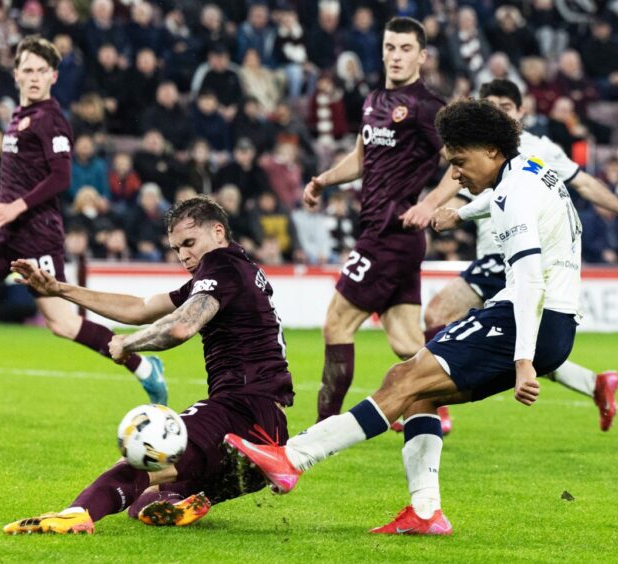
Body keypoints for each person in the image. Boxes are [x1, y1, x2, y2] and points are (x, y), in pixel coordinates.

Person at [224, 99, 581, 535]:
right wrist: (462, 212)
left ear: (490, 150)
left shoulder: (513, 195)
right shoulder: (529, 167)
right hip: (555, 325)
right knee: (420, 395)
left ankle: (293, 458)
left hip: (527, 319)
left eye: (460, 161)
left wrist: (523, 360)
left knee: (402, 381)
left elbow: (528, 280)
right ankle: (426, 511)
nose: (454, 174)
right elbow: (503, 202)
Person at [3, 197, 293, 534]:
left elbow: (180, 326)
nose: (183, 255)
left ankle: (77, 513)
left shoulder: (220, 266)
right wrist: (59, 289)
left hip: (240, 414)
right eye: (175, 248)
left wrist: (128, 343)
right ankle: (179, 499)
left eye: (189, 243)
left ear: (218, 232)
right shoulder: (237, 269)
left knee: (143, 454)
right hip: (270, 434)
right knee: (146, 501)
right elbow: (141, 307)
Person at [0, 36, 166, 425]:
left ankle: (143, 366)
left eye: (42, 70)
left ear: (54, 76)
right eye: (28, 69)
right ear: (16, 74)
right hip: (3, 233)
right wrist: (9, 212)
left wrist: (16, 207)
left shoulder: (51, 119)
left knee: (63, 324)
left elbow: (61, 177)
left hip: (37, 234)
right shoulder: (17, 115)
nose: (35, 77)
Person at [420, 79, 618, 432]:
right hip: (495, 256)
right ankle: (594, 383)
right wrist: (447, 209)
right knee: (520, 340)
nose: (498, 112)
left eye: (505, 107)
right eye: (490, 106)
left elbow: (586, 184)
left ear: (521, 112)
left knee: (438, 313)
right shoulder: (476, 150)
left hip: (515, 257)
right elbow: (456, 185)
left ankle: (432, 404)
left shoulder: (539, 150)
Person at [303, 17, 460, 423]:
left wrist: (430, 203)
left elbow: (461, 164)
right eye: (390, 47)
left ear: (422, 56)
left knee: (336, 325)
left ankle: (323, 428)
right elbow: (360, 158)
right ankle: (438, 405)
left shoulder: (427, 107)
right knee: (406, 341)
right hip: (392, 237)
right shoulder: (373, 100)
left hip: (389, 235)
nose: (396, 56)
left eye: (406, 49)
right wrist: (323, 180)